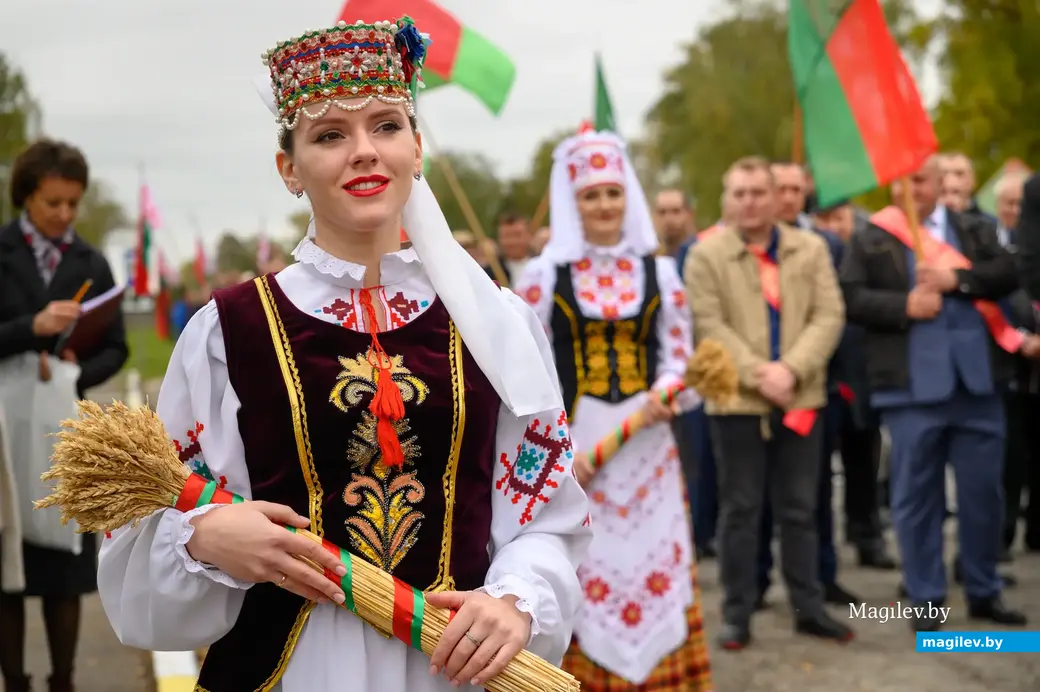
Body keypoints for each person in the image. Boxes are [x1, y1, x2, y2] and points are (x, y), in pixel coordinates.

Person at [97, 17, 591, 692]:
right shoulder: (227, 332)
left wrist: (515, 601)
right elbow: (151, 514)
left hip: (456, 666)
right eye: (330, 135)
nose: (364, 151)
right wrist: (207, 539)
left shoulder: (495, 321)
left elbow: (547, 515)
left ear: (417, 148)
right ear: (289, 168)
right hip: (289, 670)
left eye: (386, 126)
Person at [515, 127, 712, 691]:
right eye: (591, 195)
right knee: (588, 562)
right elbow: (528, 374)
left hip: (648, 447)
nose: (604, 205)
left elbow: (681, 359)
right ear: (573, 204)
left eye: (613, 193)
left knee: (653, 557)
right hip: (578, 449)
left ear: (629, 198)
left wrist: (664, 395)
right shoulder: (544, 277)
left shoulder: (662, 272)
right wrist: (554, 451)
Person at [840, 155, 1027, 631]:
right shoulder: (872, 237)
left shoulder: (973, 229)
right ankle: (925, 598)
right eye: (901, 181)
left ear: (940, 182)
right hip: (909, 390)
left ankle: (984, 590)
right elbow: (852, 298)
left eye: (920, 180)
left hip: (977, 385)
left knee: (984, 494)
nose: (911, 189)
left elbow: (1010, 271)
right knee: (915, 498)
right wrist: (903, 304)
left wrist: (957, 280)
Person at [686, 156, 852, 649]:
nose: (749, 202)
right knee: (741, 510)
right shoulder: (704, 256)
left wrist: (792, 370)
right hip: (737, 404)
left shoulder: (812, 248)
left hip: (801, 398)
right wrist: (762, 374)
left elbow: (830, 314)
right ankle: (738, 613)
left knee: (801, 509)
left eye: (758, 192)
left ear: (776, 197)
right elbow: (709, 324)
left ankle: (808, 607)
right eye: (739, 193)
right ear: (726, 200)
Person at [0, 139, 129, 692]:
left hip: (60, 430)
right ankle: (16, 681)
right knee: (7, 565)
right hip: (3, 430)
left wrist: (80, 367)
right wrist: (33, 328)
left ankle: (64, 681)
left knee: (64, 568)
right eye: (54, 202)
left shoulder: (91, 262)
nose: (65, 214)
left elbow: (116, 347)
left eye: (73, 203)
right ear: (27, 197)